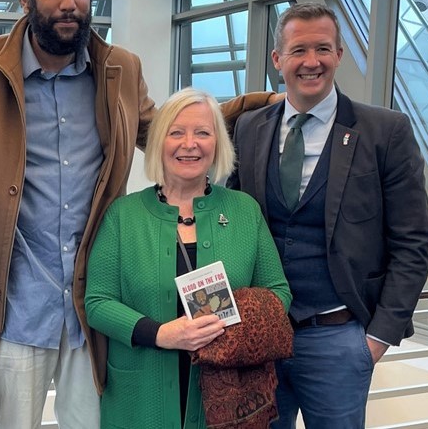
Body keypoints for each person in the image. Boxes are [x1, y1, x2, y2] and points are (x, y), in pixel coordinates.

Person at [0, 0, 279, 428]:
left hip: (90, 307)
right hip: (17, 307)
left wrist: (256, 103)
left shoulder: (120, 69)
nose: (69, 2)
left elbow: (168, 131)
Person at [227, 2, 428, 429]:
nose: (311, 61)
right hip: (261, 337)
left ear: (339, 55)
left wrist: (376, 339)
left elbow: (412, 242)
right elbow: (230, 221)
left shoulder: (385, 132)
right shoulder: (249, 128)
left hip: (339, 337)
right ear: (278, 60)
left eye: (323, 48)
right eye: (299, 50)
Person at [84, 88, 291, 428]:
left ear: (218, 144)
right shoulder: (123, 215)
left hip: (228, 394)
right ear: (158, 143)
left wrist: (229, 322)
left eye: (203, 132)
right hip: (140, 395)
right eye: (176, 132)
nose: (189, 144)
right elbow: (98, 302)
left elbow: (278, 291)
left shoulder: (244, 211)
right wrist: (161, 334)